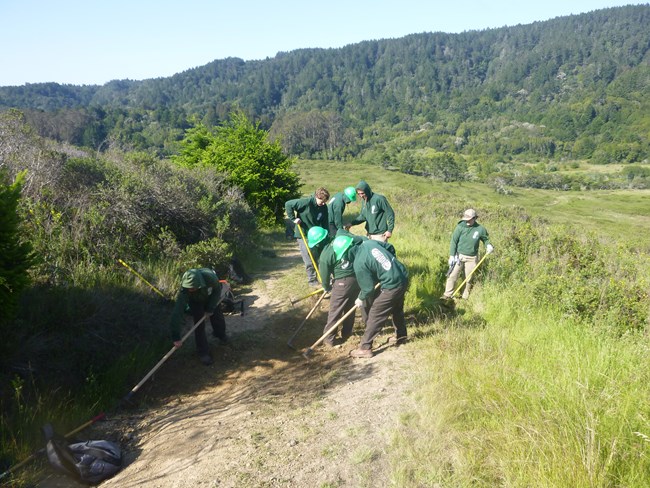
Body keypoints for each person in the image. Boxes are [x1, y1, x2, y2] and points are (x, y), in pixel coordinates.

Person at [349, 239, 409, 358]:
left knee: (376, 312)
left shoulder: (359, 263)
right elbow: (390, 247)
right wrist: (389, 267)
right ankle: (401, 336)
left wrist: (360, 298)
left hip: (392, 285)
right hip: (402, 275)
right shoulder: (368, 243)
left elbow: (368, 289)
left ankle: (365, 348)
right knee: (397, 308)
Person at [170, 268, 229, 365]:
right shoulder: (184, 290)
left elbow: (217, 290)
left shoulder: (210, 277)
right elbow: (177, 312)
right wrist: (176, 337)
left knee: (217, 316)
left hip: (210, 297)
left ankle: (221, 335)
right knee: (199, 324)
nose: (191, 290)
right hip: (195, 302)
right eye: (189, 288)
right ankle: (203, 353)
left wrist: (210, 308)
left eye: (193, 288)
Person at [318, 230, 367, 347]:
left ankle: (329, 338)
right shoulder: (346, 241)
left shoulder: (326, 254)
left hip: (342, 283)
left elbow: (324, 275)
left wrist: (326, 286)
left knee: (335, 310)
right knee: (350, 307)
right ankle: (347, 333)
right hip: (357, 279)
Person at [442, 208, 494, 300]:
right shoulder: (460, 227)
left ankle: (464, 297)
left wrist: (488, 245)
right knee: (452, 275)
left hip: (472, 258)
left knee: (468, 278)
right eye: (466, 219)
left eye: (470, 219)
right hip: (459, 256)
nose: (467, 221)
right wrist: (452, 256)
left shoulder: (480, 229)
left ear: (475, 218)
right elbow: (454, 241)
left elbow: (485, 239)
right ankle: (447, 295)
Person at [285, 188, 330, 287]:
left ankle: (325, 278)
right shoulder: (305, 202)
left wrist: (327, 236)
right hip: (304, 234)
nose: (323, 204)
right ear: (317, 197)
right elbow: (288, 204)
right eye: (322, 201)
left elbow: (325, 222)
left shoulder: (324, 207)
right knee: (309, 260)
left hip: (317, 235)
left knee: (320, 257)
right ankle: (312, 281)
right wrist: (293, 219)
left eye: (325, 202)